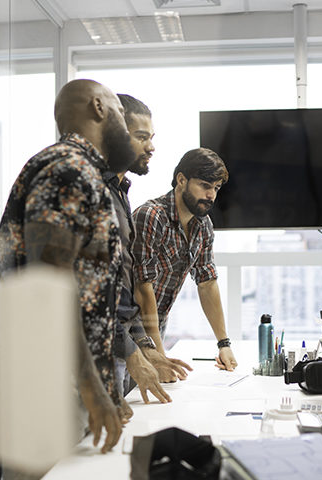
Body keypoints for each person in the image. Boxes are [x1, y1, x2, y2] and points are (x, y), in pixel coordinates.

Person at [0, 79, 137, 454]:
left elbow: (88, 299)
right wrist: (92, 388)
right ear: (99, 107)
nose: (124, 124)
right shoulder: (67, 171)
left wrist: (105, 387)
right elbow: (46, 290)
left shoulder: (85, 175)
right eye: (119, 110)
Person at [106, 94, 191, 398]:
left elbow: (122, 292)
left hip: (116, 342)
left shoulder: (119, 192)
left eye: (151, 137)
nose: (152, 147)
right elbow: (87, 292)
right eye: (142, 137)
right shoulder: (91, 190)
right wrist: (134, 350)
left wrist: (146, 347)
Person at [132, 148, 237, 370]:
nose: (211, 195)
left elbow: (207, 282)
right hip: (128, 331)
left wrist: (224, 344)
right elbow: (142, 288)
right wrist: (158, 355)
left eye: (216, 188)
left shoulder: (203, 225)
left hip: (156, 328)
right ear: (181, 180)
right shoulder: (151, 216)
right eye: (205, 186)